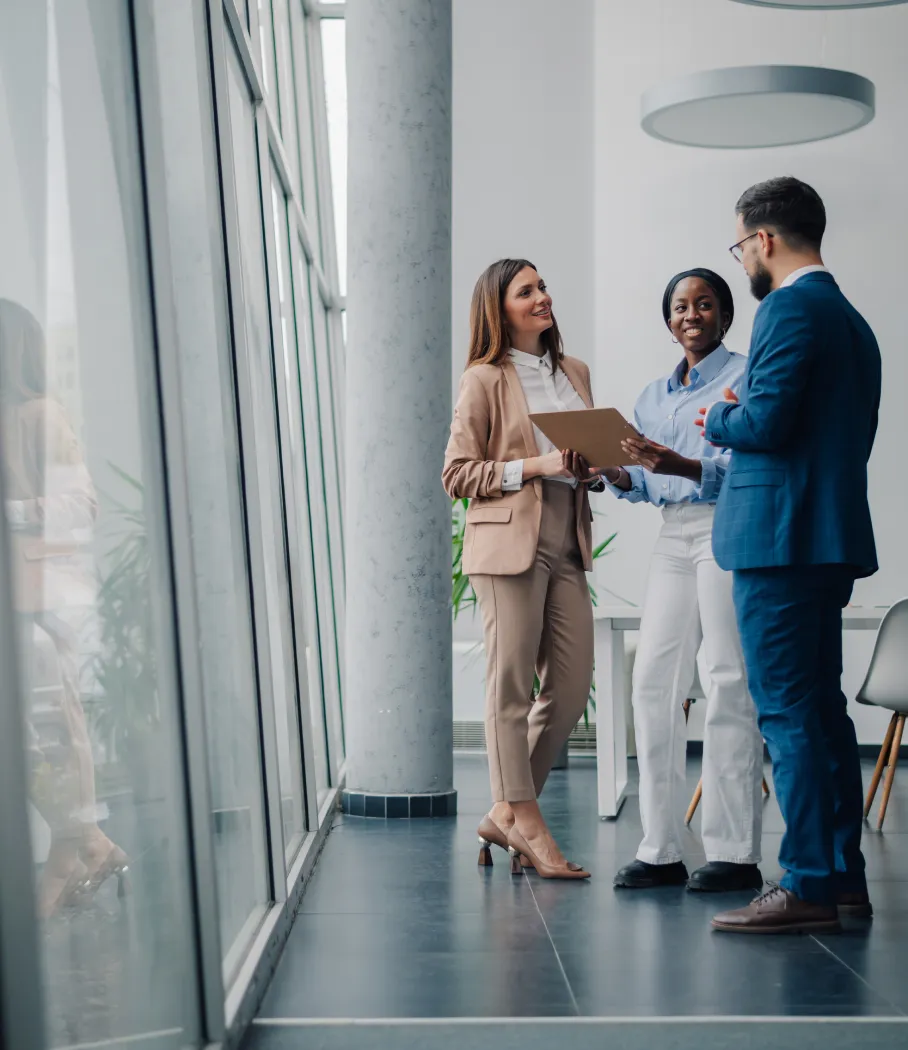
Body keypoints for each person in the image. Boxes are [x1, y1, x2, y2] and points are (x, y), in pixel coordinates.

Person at [697, 177, 881, 934]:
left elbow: (766, 423)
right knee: (821, 713)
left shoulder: (788, 308)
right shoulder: (850, 319)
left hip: (781, 540)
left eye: (739, 246)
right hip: (821, 539)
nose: (742, 259)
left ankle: (805, 882)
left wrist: (721, 416)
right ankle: (841, 878)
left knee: (787, 715)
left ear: (764, 240)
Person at [568, 269, 765, 893]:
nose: (691, 314)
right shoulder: (654, 396)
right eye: (680, 306)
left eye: (704, 304)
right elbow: (651, 484)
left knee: (727, 679)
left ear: (724, 316)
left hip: (727, 530)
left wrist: (680, 463)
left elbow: (749, 467)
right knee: (654, 682)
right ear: (669, 319)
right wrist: (616, 476)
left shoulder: (746, 377)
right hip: (674, 535)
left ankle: (733, 852)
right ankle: (660, 849)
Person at [442, 258, 601, 879]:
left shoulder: (574, 372)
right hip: (509, 543)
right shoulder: (484, 378)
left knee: (569, 688)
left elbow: (581, 459)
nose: (543, 297)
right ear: (498, 308)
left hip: (567, 539)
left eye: (543, 287)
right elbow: (457, 474)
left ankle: (504, 811)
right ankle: (526, 820)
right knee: (510, 689)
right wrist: (537, 466)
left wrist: (599, 467)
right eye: (526, 290)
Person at [0, 298, 129, 918]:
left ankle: (74, 849)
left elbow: (81, 505)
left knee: (54, 729)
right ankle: (87, 844)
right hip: (19, 600)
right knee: (31, 735)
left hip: (42, 600)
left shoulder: (39, 415)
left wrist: (14, 513)